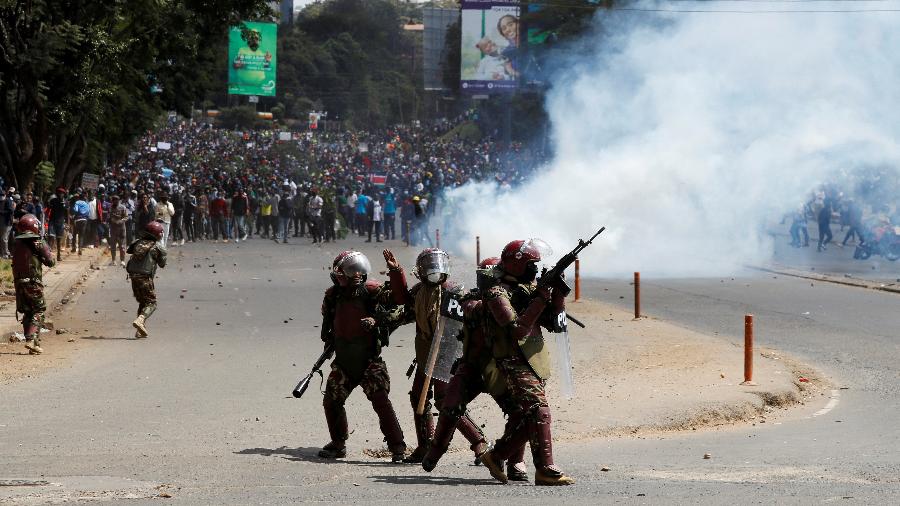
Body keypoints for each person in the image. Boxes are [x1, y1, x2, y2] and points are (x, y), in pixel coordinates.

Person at [420, 257, 529, 481]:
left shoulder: (512, 300)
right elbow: (474, 311)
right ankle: (436, 449)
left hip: (501, 368)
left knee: (520, 411)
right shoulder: (471, 301)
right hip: (471, 366)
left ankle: (515, 460)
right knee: (449, 406)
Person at [479, 239, 575, 486]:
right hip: (511, 360)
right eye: (532, 264)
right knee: (539, 411)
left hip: (533, 360)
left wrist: (558, 294)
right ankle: (544, 469)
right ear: (517, 265)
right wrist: (542, 295)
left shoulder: (528, 289)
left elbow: (554, 322)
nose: (535, 269)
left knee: (529, 418)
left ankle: (496, 455)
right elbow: (517, 329)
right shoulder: (496, 293)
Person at [384, 248, 488, 464]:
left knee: (444, 401)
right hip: (424, 353)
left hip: (448, 353)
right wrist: (396, 273)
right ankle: (425, 445)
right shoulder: (418, 292)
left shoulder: (454, 292)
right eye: (429, 267)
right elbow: (402, 300)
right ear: (421, 271)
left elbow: (470, 314)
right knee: (418, 398)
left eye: (437, 266)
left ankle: (479, 443)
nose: (434, 271)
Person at [317, 251, 407, 462]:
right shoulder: (332, 296)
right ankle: (338, 444)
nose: (357, 274)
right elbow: (329, 328)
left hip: (369, 361)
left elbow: (400, 298)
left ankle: (398, 447)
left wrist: (396, 271)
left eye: (359, 270)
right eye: (351, 270)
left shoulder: (372, 291)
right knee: (331, 401)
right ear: (340, 274)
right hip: (344, 362)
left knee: (380, 400)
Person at [11, 214, 55, 354]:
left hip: (18, 283)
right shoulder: (37, 242)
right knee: (39, 310)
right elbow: (51, 261)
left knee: (28, 312)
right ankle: (30, 340)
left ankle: (33, 344)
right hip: (33, 283)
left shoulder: (16, 243)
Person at [126, 221, 167, 338]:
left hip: (133, 277)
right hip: (145, 278)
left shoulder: (137, 243)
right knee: (152, 303)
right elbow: (162, 264)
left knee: (143, 302)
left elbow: (130, 251)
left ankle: (140, 330)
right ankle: (140, 320)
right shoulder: (157, 247)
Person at [46, 187, 68, 262]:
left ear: (64, 194)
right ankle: (48, 255)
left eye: (62, 193)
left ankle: (59, 255)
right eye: (59, 193)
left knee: (58, 240)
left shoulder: (65, 202)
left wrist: (67, 223)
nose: (60, 194)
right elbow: (48, 208)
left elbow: (67, 213)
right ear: (57, 193)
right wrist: (46, 217)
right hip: (52, 221)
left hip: (60, 222)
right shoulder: (53, 200)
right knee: (51, 237)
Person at [107, 195, 128, 266]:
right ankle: (113, 260)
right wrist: (111, 219)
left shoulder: (123, 207)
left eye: (116, 200)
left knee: (122, 245)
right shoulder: (110, 207)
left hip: (121, 229)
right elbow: (109, 217)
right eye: (113, 200)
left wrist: (120, 221)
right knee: (113, 245)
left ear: (118, 200)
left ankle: (122, 260)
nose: (115, 202)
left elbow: (126, 217)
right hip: (113, 229)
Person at [70, 190, 90, 256]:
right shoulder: (86, 203)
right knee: (81, 235)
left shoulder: (77, 202)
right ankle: (80, 249)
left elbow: (76, 210)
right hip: (84, 220)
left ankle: (74, 248)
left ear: (79, 198)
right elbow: (88, 212)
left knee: (74, 234)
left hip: (77, 219)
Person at [0, 187, 15, 258]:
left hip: (7, 223)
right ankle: (3, 253)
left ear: (5, 195)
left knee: (4, 238)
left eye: (2, 195)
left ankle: (6, 254)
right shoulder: (1, 201)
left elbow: (11, 211)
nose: (1, 197)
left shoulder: (8, 201)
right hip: (2, 222)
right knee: (2, 238)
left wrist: (2, 212)